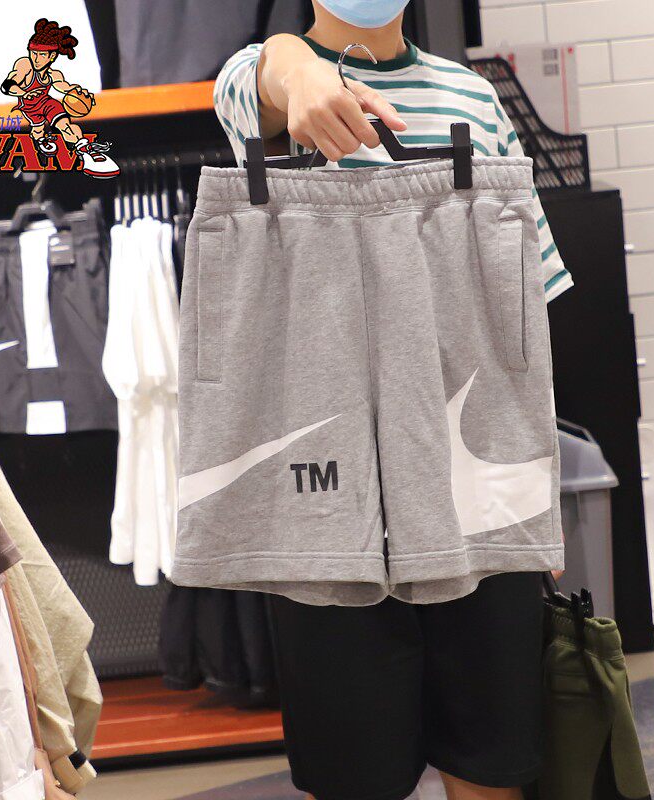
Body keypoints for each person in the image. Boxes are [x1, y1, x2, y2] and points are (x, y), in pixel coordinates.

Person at [213, 3, 573, 799]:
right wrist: (302, 73)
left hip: (472, 473)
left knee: (490, 764)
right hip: (327, 484)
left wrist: (537, 491)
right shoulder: (257, 82)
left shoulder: (472, 97)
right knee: (352, 774)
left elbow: (523, 314)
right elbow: (264, 78)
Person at [1, 18, 119, 178]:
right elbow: (8, 85)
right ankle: (41, 140)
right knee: (37, 131)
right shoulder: (25, 66)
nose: (36, 59)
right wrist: (23, 92)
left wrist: (77, 92)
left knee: (65, 125)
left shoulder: (53, 74)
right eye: (33, 53)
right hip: (29, 108)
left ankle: (87, 151)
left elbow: (64, 86)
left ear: (52, 56)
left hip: (47, 104)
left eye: (41, 55)